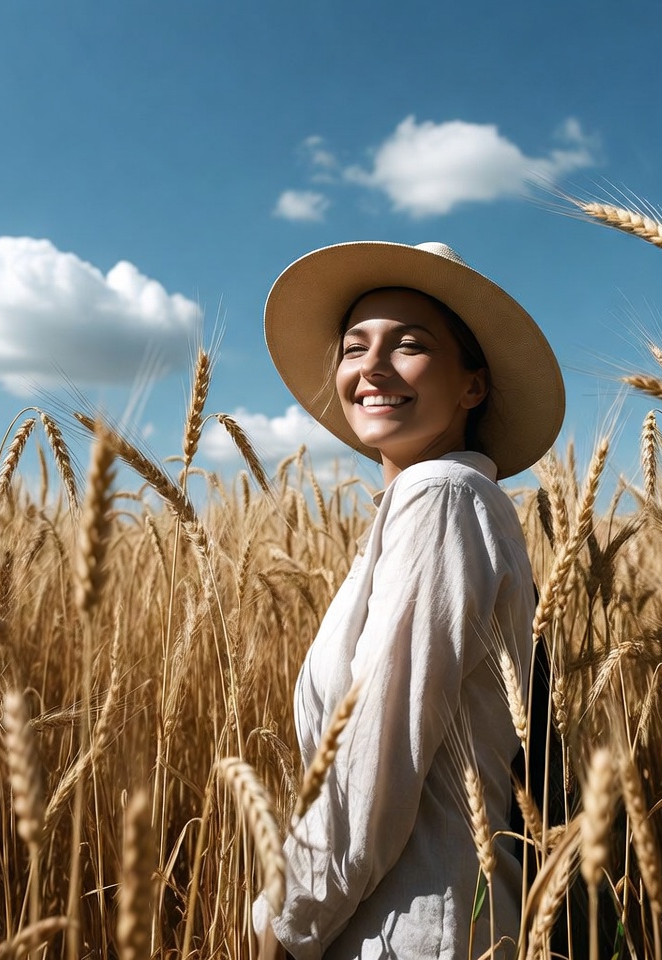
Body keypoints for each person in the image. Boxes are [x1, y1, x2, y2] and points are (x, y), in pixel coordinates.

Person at [255, 241, 565, 959]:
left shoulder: (444, 496)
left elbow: (373, 752)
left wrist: (284, 923)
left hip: (411, 933)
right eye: (356, 346)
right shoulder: (424, 508)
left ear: (472, 387)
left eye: (411, 345)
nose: (373, 367)